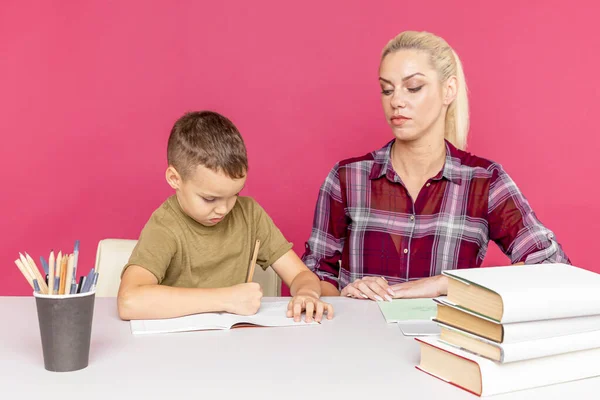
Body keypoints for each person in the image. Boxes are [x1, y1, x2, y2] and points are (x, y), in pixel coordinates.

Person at [302, 31, 569, 301]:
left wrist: (445, 283)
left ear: (448, 90)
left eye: (414, 87)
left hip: (448, 340)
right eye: (387, 89)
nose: (396, 101)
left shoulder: (484, 181)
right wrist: (345, 294)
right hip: (359, 338)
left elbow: (552, 265)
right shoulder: (348, 178)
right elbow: (315, 277)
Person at [118, 111, 333, 322]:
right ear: (175, 178)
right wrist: (226, 299)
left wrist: (307, 293)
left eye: (234, 195)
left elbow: (300, 275)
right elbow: (129, 301)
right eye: (210, 199)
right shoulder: (165, 226)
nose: (224, 209)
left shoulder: (249, 214)